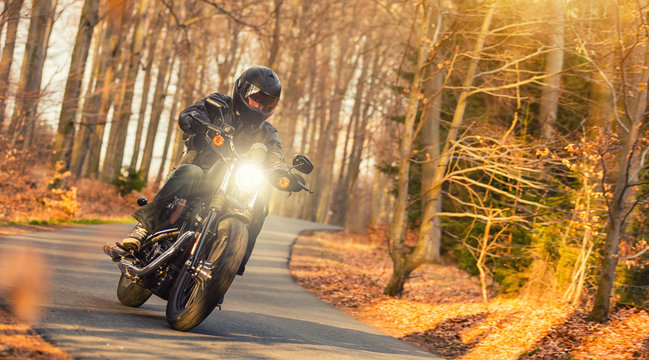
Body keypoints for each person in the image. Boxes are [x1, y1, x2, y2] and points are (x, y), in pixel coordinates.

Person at [116, 65, 289, 274]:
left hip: (235, 187)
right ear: (243, 91)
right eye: (257, 100)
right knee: (190, 172)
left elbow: (276, 155)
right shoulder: (220, 105)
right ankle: (144, 227)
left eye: (266, 104)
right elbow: (188, 115)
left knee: (260, 203)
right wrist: (199, 122)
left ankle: (233, 263)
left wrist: (283, 172)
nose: (260, 107)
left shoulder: (267, 131)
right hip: (202, 171)